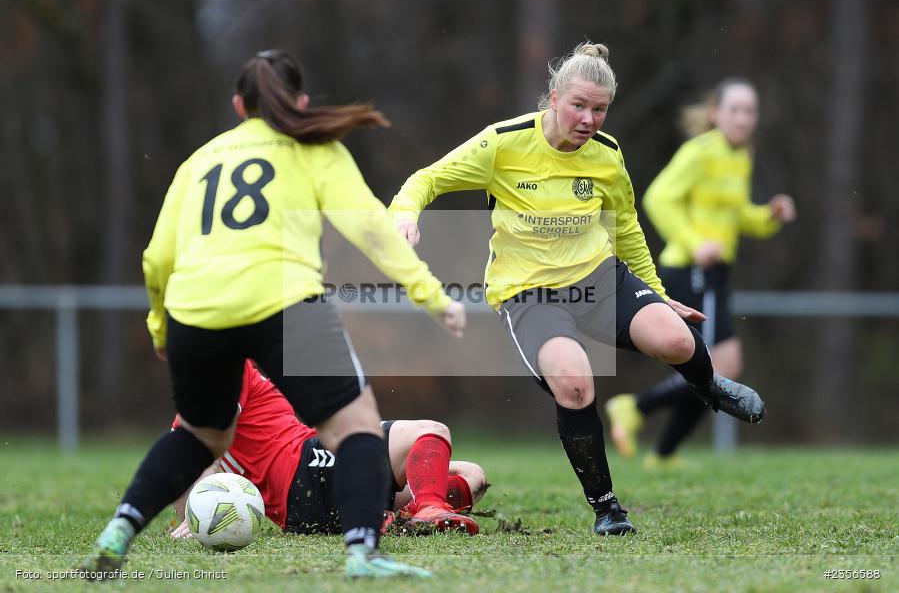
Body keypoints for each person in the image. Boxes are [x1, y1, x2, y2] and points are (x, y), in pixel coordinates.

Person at [81, 49, 466, 580]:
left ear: (239, 106)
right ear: (302, 102)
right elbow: (372, 229)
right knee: (355, 429)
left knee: (198, 436)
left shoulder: (200, 161)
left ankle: (119, 531)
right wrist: (431, 295)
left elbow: (157, 257)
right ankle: (362, 555)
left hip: (198, 309)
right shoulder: (316, 150)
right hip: (283, 300)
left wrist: (161, 326)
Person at [388, 42, 765, 537]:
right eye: (579, 105)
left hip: (598, 277)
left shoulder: (607, 156)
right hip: (530, 293)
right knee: (575, 382)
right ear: (553, 98)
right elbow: (426, 180)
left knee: (676, 339)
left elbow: (626, 226)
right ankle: (607, 507)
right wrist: (404, 215)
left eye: (600, 109)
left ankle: (709, 387)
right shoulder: (504, 143)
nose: (590, 119)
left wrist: (657, 292)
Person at [606, 78, 796, 466]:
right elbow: (658, 198)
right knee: (714, 366)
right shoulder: (699, 152)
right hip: (687, 267)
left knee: (723, 367)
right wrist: (696, 243)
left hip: (716, 272)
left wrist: (768, 216)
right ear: (716, 113)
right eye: (735, 110)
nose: (744, 119)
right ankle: (636, 411)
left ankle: (661, 451)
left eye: (750, 111)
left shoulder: (739, 156)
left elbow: (738, 215)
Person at [169, 361, 486, 539]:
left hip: (302, 508)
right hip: (306, 467)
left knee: (470, 475)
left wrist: (194, 516)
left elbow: (192, 457)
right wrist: (200, 515)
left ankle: (395, 519)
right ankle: (430, 510)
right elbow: (208, 440)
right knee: (430, 431)